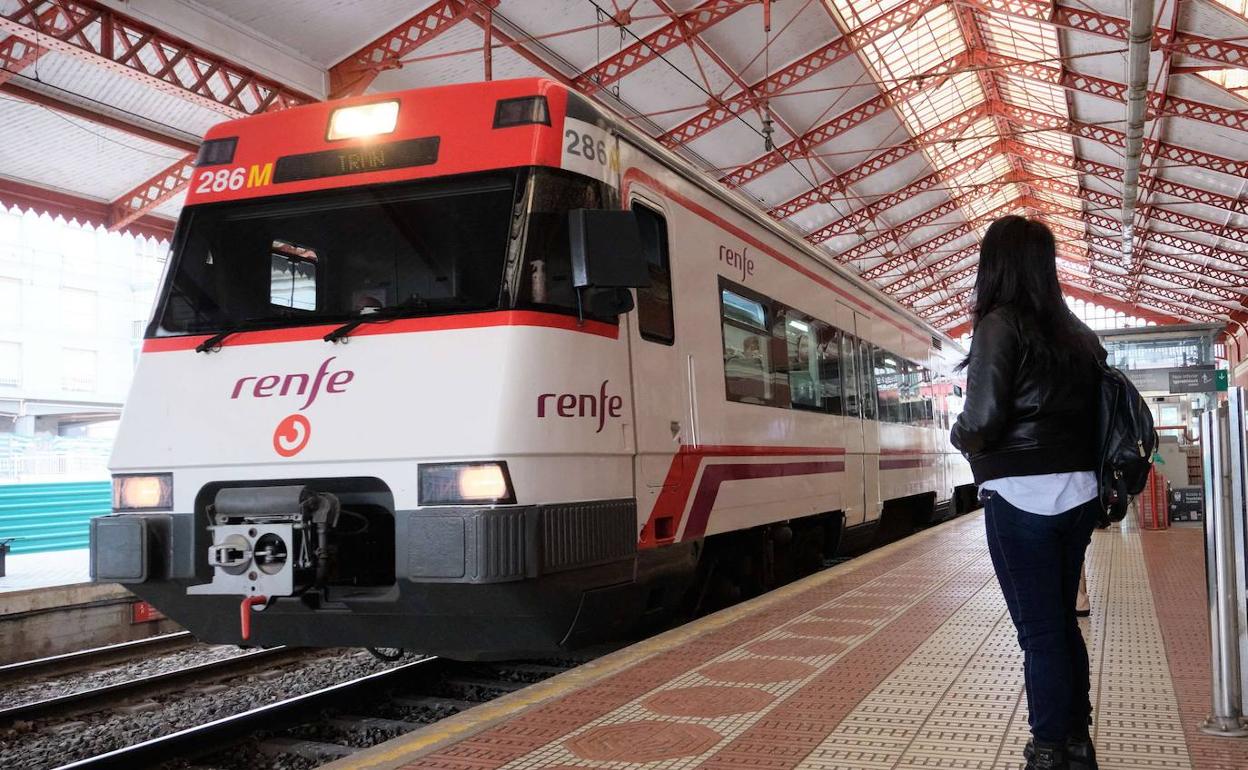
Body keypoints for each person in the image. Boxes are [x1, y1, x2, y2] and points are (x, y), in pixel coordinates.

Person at [950, 216, 1105, 770]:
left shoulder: (1000, 323)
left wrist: (959, 434)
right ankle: (1076, 741)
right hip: (1079, 493)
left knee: (1040, 632)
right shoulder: (1078, 334)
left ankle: (1046, 750)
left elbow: (983, 418)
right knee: (1061, 622)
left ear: (994, 265)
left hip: (1020, 496)